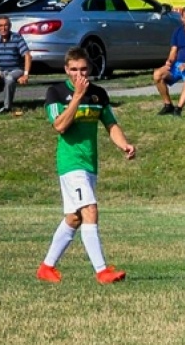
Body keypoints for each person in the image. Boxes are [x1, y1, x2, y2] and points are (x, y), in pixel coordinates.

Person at [37, 47, 135, 285]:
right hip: (71, 164)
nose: (79, 74)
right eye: (74, 70)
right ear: (66, 70)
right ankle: (102, 271)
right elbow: (60, 126)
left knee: (74, 218)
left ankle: (46, 267)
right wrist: (77, 97)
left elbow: (111, 124)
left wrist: (124, 144)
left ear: (89, 68)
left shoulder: (98, 94)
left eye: (83, 69)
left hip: (90, 164)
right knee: (90, 210)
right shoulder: (56, 92)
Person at [0, 15, 32, 114]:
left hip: (16, 69)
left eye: (6, 25)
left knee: (9, 78)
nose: (3, 28)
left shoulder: (17, 38)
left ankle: (7, 107)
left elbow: (27, 55)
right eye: (0, 26)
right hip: (1, 70)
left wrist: (26, 75)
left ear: (10, 26)